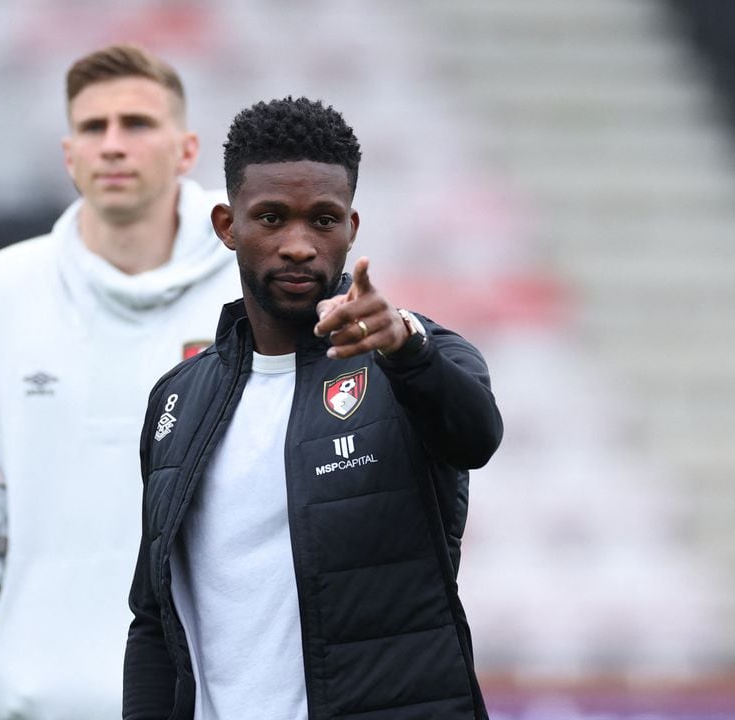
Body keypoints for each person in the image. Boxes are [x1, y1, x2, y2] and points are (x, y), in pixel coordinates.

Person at [124, 97, 504, 719]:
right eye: (271, 218)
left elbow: (475, 436)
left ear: (352, 228)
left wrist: (407, 350)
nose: (298, 245)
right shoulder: (176, 399)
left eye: (322, 221)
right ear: (227, 225)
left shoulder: (415, 358)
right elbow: (154, 617)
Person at [0, 44, 240, 719]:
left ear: (187, 150)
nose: (113, 145)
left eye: (136, 123)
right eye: (93, 128)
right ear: (69, 154)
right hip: (29, 705)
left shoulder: (256, 289)